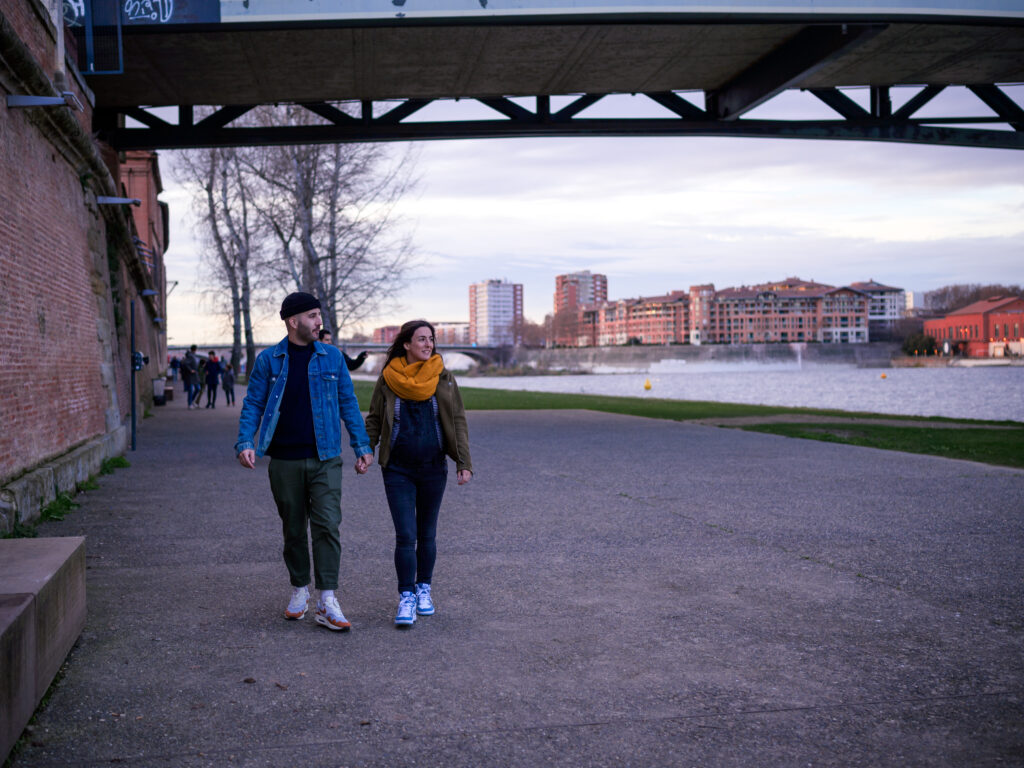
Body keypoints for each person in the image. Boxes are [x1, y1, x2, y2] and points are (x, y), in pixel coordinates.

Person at [235, 292, 373, 632]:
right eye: (312, 316)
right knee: (293, 529)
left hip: (326, 458)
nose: (318, 322)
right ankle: (300, 589)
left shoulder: (333, 358)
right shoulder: (270, 360)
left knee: (327, 525)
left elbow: (348, 403)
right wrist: (245, 441)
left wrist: (361, 445)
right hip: (283, 460)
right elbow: (253, 403)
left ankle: (327, 598)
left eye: (318, 315)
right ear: (293, 320)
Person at [364, 319, 473, 628]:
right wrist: (366, 449)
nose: (428, 344)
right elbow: (374, 418)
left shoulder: (444, 378)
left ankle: (424, 587)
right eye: (422, 339)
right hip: (397, 469)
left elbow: (458, 421)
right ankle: (406, 596)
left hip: (432, 468)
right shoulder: (388, 378)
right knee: (405, 535)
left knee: (426, 534)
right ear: (407, 344)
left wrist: (463, 463)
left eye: (431, 339)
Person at [181, 345, 200, 409]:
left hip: (195, 375)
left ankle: (192, 401)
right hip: (190, 376)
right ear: (195, 349)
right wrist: (190, 370)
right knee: (191, 390)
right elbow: (185, 363)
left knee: (198, 388)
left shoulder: (193, 355)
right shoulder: (190, 356)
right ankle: (189, 404)